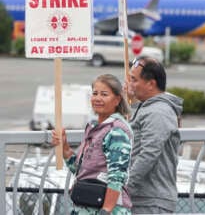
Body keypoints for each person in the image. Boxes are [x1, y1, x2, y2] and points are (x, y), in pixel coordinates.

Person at [52, 74, 133, 215]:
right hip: (85, 206)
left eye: (104, 94)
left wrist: (106, 210)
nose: (97, 98)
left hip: (107, 209)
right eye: (95, 93)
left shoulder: (116, 130)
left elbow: (117, 176)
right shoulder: (94, 127)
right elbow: (81, 171)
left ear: (117, 99)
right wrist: (64, 147)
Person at [125, 56, 183, 214]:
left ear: (151, 84)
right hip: (145, 198)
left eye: (134, 80)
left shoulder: (158, 112)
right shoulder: (149, 108)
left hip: (151, 201)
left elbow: (148, 154)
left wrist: (124, 186)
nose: (130, 85)